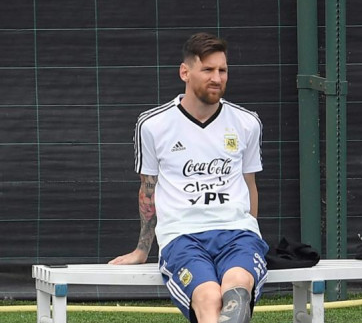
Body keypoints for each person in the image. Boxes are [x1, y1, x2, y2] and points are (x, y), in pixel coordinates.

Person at [109, 33, 269, 323]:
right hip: (182, 236)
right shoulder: (153, 124)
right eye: (208, 70)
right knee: (207, 297)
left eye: (222, 70)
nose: (217, 78)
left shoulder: (247, 122)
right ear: (185, 72)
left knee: (237, 290)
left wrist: (250, 232)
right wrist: (142, 250)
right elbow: (148, 191)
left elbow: (249, 185)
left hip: (237, 233)